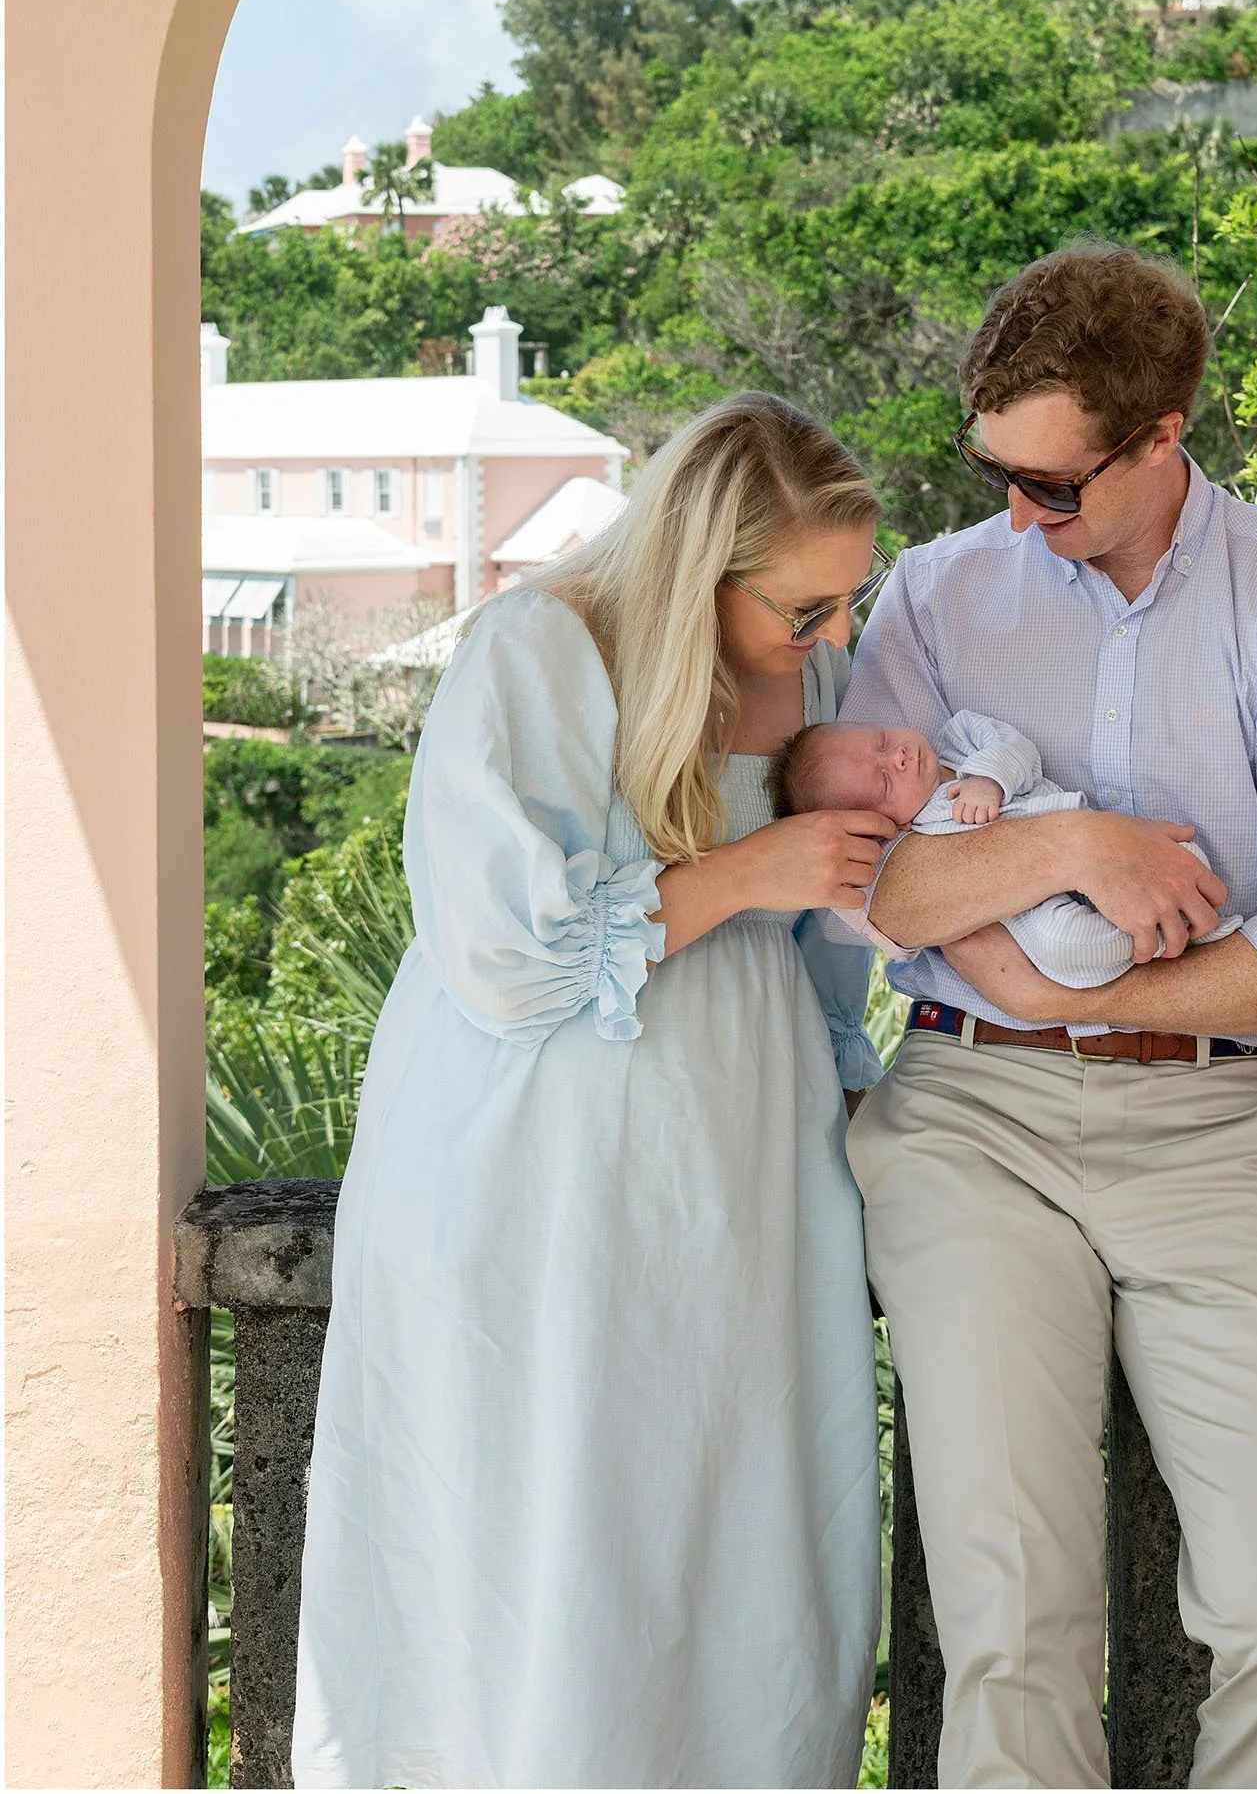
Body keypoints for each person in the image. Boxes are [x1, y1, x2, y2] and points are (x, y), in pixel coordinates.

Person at [840, 244, 1257, 1791]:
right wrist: (1074, 852)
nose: (1021, 514)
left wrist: (1058, 968)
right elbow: (867, 880)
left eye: (1056, 485)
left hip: (1222, 1134)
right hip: (970, 1123)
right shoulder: (941, 595)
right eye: (998, 475)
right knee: (1011, 1624)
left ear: (1161, 437)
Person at [292, 394, 900, 1791]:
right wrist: (754, 868)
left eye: (844, 604)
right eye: (800, 608)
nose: (828, 640)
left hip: (734, 1156)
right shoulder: (544, 649)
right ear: (702, 564)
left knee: (721, 1505)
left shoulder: (807, 675)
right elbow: (502, 954)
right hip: (535, 1156)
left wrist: (845, 1090)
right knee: (543, 1498)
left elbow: (820, 952)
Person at [771, 710, 1240, 987]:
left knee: (1171, 857)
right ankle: (1151, 934)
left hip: (1093, 834)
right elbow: (866, 914)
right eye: (883, 780)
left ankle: (1177, 901)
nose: (897, 757)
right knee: (1060, 944)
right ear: (874, 822)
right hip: (1022, 911)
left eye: (882, 741)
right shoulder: (903, 838)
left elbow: (1016, 746)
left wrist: (989, 777)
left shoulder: (961, 739)